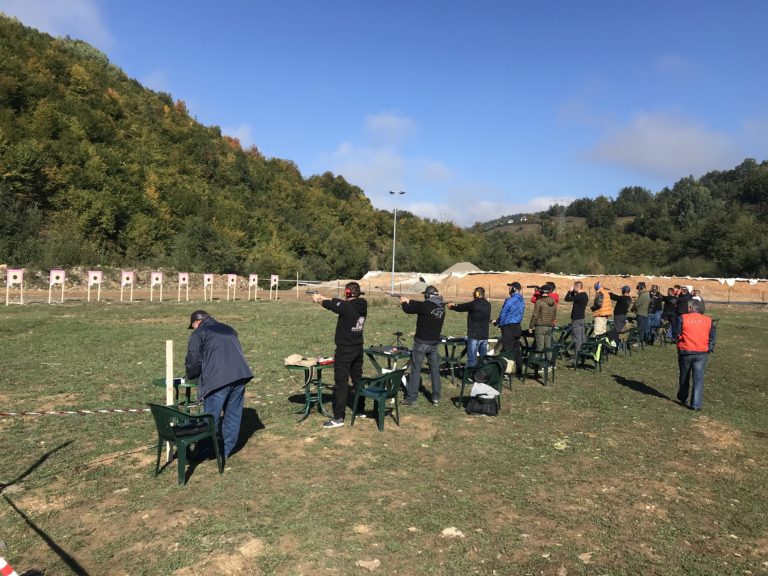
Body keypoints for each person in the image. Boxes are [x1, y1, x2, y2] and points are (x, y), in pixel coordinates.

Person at [185, 310, 253, 459]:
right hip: (239, 375)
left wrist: (191, 376)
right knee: (233, 415)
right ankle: (226, 450)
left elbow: (193, 359)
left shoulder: (199, 333)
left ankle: (206, 451)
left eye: (193, 326)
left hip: (217, 380)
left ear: (196, 323)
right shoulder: (229, 329)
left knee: (211, 417)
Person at [312, 282, 368, 428]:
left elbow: (330, 305)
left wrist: (318, 299)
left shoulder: (346, 307)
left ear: (348, 292)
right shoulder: (362, 304)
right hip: (358, 348)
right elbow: (338, 303)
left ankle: (338, 418)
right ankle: (360, 409)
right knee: (358, 380)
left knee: (341, 383)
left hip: (345, 350)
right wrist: (324, 296)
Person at [400, 286, 446, 406]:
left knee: (415, 370)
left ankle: (411, 398)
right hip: (434, 343)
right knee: (435, 370)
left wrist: (404, 302)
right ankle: (436, 397)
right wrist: (410, 300)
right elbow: (419, 305)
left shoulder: (424, 306)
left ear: (427, 295)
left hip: (421, 343)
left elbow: (408, 310)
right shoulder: (442, 307)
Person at [676, 299, 716, 411]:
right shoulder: (708, 320)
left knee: (684, 376)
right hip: (701, 352)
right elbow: (712, 336)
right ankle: (696, 404)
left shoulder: (683, 318)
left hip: (686, 350)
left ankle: (683, 397)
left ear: (690, 307)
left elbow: (678, 333)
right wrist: (710, 348)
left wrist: (679, 344)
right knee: (698, 379)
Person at [448, 287, 491, 368]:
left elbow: (462, 307)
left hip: (474, 336)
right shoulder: (488, 304)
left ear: (477, 294)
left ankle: (470, 375)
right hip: (484, 336)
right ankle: (483, 375)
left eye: (474, 292)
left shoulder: (474, 304)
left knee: (472, 359)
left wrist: (452, 307)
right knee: (483, 359)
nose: (473, 294)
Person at [493, 281, 525, 379]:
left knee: (506, 350)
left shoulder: (509, 300)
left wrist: (500, 324)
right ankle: (519, 371)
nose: (508, 289)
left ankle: (505, 372)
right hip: (517, 327)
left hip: (508, 328)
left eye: (510, 287)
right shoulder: (522, 300)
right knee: (517, 350)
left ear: (514, 289)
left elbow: (503, 314)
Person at [528, 284, 557, 353]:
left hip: (540, 326)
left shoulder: (539, 302)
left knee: (539, 348)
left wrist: (530, 326)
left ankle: (538, 362)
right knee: (548, 347)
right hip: (549, 326)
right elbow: (554, 315)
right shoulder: (553, 301)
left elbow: (535, 315)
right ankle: (549, 362)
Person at [564, 281, 589, 363]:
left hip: (576, 319)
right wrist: (573, 293)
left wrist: (569, 291)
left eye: (574, 287)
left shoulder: (579, 296)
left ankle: (576, 356)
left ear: (577, 287)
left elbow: (567, 299)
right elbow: (573, 298)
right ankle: (582, 354)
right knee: (582, 337)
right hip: (581, 318)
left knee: (577, 338)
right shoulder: (584, 295)